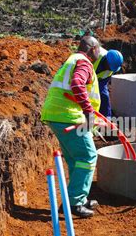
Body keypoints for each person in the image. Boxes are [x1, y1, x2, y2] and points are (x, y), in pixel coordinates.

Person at [41, 35, 101, 218]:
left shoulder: (72, 59)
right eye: (99, 48)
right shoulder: (84, 62)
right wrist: (89, 111)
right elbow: (77, 84)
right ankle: (75, 202)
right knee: (88, 155)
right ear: (92, 49)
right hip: (68, 116)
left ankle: (77, 199)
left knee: (76, 159)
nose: (100, 52)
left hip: (57, 114)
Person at [93, 48, 124, 117]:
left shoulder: (112, 67)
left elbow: (103, 83)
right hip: (85, 76)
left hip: (101, 79)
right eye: (110, 67)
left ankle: (106, 119)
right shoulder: (94, 57)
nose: (110, 70)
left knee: (104, 96)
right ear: (106, 61)